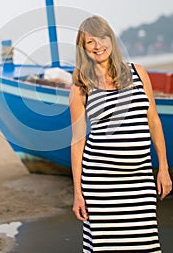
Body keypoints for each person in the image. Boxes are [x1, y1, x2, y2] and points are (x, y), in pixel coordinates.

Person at [69, 15, 172, 252]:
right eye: (90, 42)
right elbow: (77, 141)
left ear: (111, 39)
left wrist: (163, 169)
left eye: (102, 38)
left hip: (140, 180)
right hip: (100, 184)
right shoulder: (81, 85)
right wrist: (78, 193)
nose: (98, 45)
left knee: (144, 245)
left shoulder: (138, 72)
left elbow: (153, 121)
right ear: (83, 48)